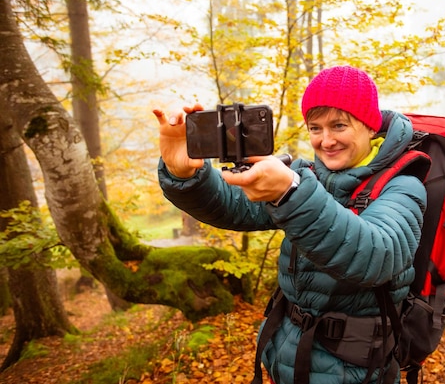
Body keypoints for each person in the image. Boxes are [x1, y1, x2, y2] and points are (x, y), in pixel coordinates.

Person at [153, 65, 427, 384]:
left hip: (356, 370)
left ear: (370, 127)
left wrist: (290, 193)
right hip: (288, 354)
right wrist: (184, 174)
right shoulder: (307, 175)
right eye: (315, 128)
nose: (326, 141)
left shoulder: (403, 186)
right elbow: (232, 206)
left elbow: (375, 257)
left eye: (339, 125)